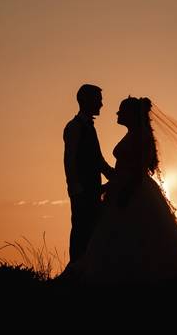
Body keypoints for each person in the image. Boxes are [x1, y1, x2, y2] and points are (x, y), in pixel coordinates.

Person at [61, 96, 177, 283]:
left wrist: (117, 187)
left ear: (132, 115)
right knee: (94, 230)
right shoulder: (78, 127)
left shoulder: (139, 137)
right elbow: (75, 160)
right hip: (118, 187)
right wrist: (106, 184)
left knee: (129, 231)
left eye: (121, 110)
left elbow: (135, 170)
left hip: (132, 190)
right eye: (99, 100)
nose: (115, 112)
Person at [63, 83, 116, 263]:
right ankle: (75, 268)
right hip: (82, 190)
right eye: (98, 100)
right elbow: (69, 159)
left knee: (93, 229)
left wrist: (115, 176)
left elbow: (98, 159)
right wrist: (75, 187)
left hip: (93, 188)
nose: (101, 104)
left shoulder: (90, 127)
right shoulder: (74, 127)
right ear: (85, 100)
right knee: (80, 229)